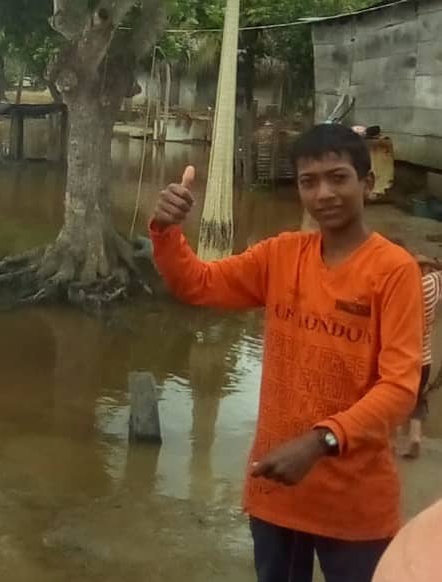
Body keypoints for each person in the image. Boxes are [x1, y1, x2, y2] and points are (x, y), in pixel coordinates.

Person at [149, 123, 422, 582]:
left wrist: (319, 442)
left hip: (355, 504)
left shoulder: (394, 271)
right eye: (308, 182)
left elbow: (398, 388)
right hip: (277, 487)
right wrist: (165, 231)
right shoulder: (281, 255)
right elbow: (198, 284)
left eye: (338, 178)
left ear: (367, 183)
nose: (323, 194)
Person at [402, 251, 442, 459]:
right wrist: (428, 259)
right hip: (424, 358)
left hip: (403, 358)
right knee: (417, 399)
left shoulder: (405, 289)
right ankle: (415, 437)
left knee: (394, 400)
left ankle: (384, 442)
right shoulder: (431, 286)